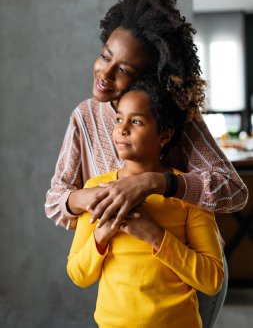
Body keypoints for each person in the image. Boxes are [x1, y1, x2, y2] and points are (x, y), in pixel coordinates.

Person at [45, 0, 246, 326]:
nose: (105, 74)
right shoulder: (84, 117)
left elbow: (233, 190)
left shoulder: (175, 117)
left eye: (123, 70)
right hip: (124, 288)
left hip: (187, 276)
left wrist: (156, 183)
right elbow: (56, 201)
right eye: (105, 56)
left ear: (145, 78)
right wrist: (99, 198)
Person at [67, 78, 224, 328]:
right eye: (119, 119)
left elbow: (212, 279)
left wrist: (155, 235)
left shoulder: (188, 191)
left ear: (164, 135)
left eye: (136, 121)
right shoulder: (96, 190)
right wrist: (101, 235)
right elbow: (78, 274)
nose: (122, 129)